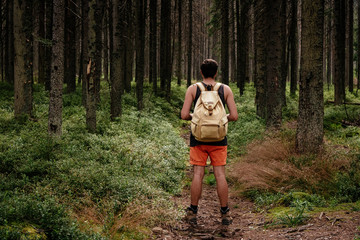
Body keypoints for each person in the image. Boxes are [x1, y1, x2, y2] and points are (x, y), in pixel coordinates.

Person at [181, 59, 238, 225]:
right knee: (220, 174)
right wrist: (219, 119)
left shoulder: (193, 89)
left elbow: (184, 115)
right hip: (219, 138)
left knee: (198, 173)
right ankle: (225, 213)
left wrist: (199, 119)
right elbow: (234, 116)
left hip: (198, 138)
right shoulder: (225, 89)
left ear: (201, 72)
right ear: (216, 73)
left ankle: (193, 211)